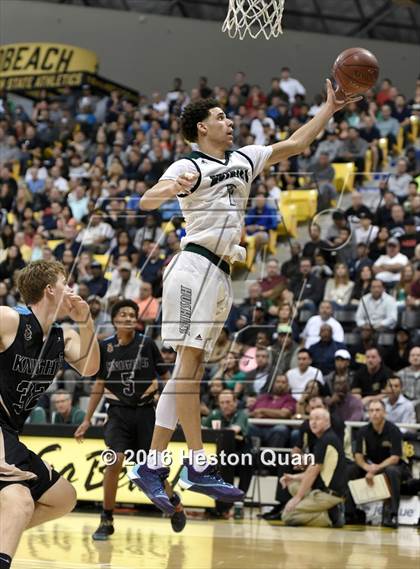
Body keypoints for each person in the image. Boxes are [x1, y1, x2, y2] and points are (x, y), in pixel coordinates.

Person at [128, 86, 360, 512]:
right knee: (189, 368)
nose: (230, 121)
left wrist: (329, 107)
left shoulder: (246, 157)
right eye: (221, 117)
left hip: (221, 274)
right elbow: (146, 200)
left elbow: (297, 143)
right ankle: (196, 463)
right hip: (193, 265)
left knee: (186, 367)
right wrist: (171, 188)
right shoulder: (188, 163)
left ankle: (152, 464)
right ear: (202, 126)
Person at [0, 260, 100, 569]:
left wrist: (87, 322)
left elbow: (90, 367)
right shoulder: (9, 319)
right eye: (66, 284)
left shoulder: (63, 336)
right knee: (19, 501)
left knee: (63, 497)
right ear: (49, 289)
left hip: (10, 431)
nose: (72, 290)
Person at [73, 299, 186, 537]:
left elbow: (167, 378)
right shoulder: (104, 348)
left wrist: (175, 411)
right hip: (118, 413)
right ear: (114, 320)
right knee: (114, 461)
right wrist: (87, 419)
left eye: (132, 314)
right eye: (123, 314)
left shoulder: (147, 344)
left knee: (152, 469)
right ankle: (106, 519)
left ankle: (175, 504)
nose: (128, 318)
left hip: (145, 412)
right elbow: (99, 384)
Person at [346, 400, 409, 528]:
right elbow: (358, 455)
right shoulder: (363, 431)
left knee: (392, 471)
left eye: (378, 410)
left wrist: (375, 469)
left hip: (392, 466)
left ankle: (391, 515)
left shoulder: (394, 430)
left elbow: (395, 458)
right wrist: (366, 467)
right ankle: (350, 514)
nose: (374, 414)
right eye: (371, 411)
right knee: (351, 469)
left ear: (384, 413)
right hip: (370, 465)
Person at [281, 408, 347, 527]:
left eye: (318, 419)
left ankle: (330, 517)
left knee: (288, 516)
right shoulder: (323, 439)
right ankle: (329, 510)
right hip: (319, 489)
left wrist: (297, 498)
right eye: (311, 419)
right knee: (292, 484)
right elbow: (315, 469)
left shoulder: (327, 440)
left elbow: (313, 471)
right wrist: (293, 477)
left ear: (327, 421)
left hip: (329, 494)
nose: (313, 422)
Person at [248, 374, 296, 448]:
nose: (280, 385)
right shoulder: (262, 397)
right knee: (247, 426)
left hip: (274, 428)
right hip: (257, 428)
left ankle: (271, 457)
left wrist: (263, 411)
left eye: (283, 382)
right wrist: (254, 414)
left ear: (287, 385)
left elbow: (284, 414)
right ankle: (250, 456)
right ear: (273, 384)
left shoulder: (290, 399)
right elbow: (251, 413)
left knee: (281, 429)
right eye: (278, 382)